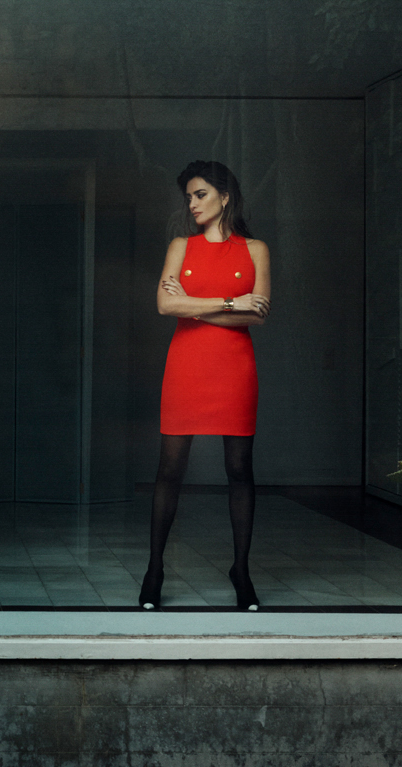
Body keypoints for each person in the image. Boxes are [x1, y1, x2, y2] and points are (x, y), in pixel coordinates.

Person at [140, 160, 271, 612]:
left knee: (239, 469)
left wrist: (190, 305)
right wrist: (228, 300)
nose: (192, 203)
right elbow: (162, 304)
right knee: (170, 470)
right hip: (186, 366)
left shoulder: (256, 250)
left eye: (200, 194)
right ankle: (154, 569)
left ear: (225, 196)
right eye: (189, 197)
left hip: (235, 368)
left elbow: (256, 315)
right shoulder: (181, 246)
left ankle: (241, 570)